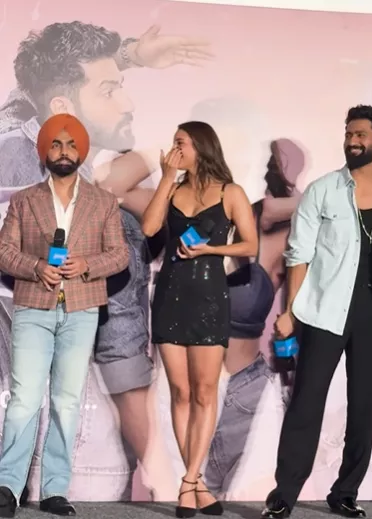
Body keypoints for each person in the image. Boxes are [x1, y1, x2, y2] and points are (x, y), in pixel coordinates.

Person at [262, 105, 372, 519]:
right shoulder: (323, 190)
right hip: (324, 311)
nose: (352, 141)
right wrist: (290, 311)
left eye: (360, 135)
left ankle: (345, 492)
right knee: (306, 403)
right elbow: (299, 254)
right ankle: (284, 494)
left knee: (363, 408)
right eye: (348, 134)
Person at [0, 113, 129, 517]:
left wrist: (87, 264)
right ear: (44, 151)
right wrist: (36, 267)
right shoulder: (24, 200)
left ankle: (55, 489)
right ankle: (7, 487)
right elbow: (4, 251)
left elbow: (120, 255)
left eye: (71, 144)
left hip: (81, 308)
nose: (63, 151)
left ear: (81, 151)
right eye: (56, 143)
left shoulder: (102, 202)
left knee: (66, 401)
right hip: (32, 307)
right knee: (24, 399)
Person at [142, 121, 258, 517]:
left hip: (209, 299)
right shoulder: (173, 189)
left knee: (205, 392)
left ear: (200, 146)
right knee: (180, 392)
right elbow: (149, 227)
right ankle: (197, 484)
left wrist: (211, 250)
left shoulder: (230, 192)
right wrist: (165, 178)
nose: (174, 149)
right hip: (170, 297)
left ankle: (188, 481)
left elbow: (250, 244)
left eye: (180, 143)